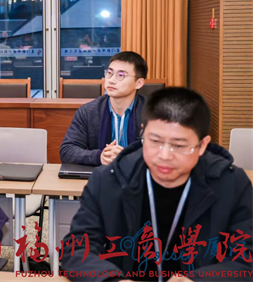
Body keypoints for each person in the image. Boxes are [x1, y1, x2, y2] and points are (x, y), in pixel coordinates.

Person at [61, 88, 253, 282]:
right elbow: (77, 250)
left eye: (179, 145)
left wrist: (197, 280)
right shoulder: (108, 180)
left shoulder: (232, 184)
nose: (164, 155)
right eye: (154, 141)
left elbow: (246, 259)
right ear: (143, 132)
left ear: (202, 145)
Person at [60, 51, 148, 166]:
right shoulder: (88, 111)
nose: (111, 80)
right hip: (100, 174)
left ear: (139, 83)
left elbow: (164, 152)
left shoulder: (154, 113)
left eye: (121, 75)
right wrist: (100, 156)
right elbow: (67, 150)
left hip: (139, 175)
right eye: (109, 73)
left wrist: (130, 157)